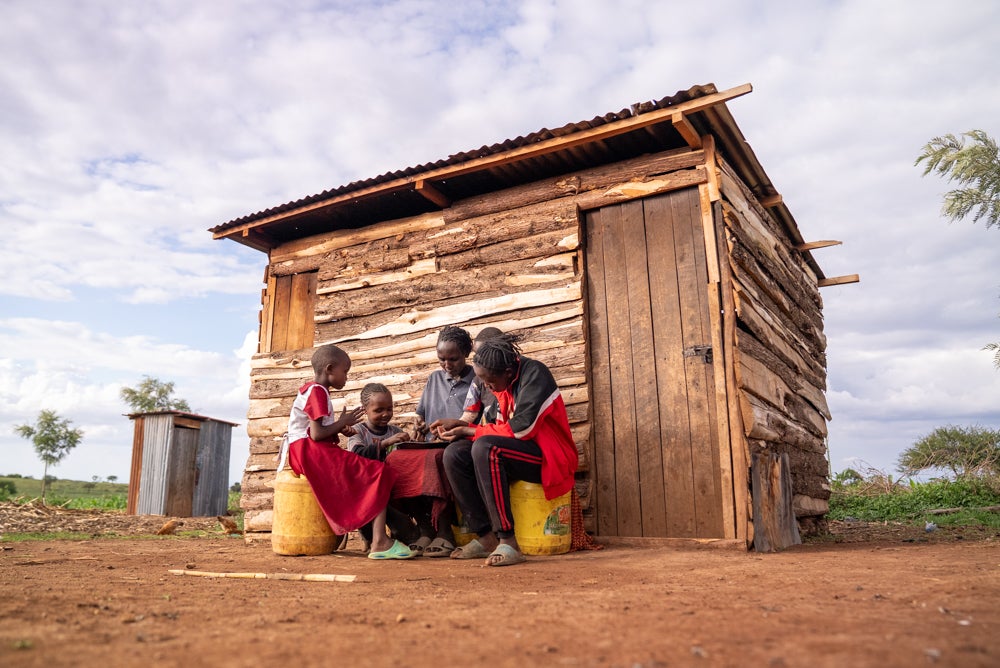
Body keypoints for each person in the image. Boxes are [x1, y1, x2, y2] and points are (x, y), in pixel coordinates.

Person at [436, 333, 578, 567]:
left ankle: (508, 540)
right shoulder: (501, 381)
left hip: (548, 458)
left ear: (508, 374)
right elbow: (491, 426)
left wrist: (470, 432)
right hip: (517, 454)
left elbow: (522, 429)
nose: (486, 386)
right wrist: (462, 426)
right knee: (454, 454)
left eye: (489, 382)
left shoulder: (535, 375)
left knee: (486, 447)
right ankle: (486, 537)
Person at [285, 344, 414, 560]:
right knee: (378, 472)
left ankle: (374, 537)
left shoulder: (313, 389)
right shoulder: (317, 391)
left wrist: (339, 428)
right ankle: (380, 541)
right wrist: (342, 422)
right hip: (309, 451)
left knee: (369, 471)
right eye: (345, 372)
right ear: (329, 369)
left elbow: (316, 430)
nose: (346, 377)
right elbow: (316, 435)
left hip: (304, 449)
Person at [408, 325, 476, 556]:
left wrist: (455, 429)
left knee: (438, 460)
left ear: (466, 354)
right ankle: (424, 527)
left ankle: (444, 531)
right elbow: (421, 413)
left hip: (458, 444)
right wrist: (418, 424)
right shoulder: (434, 378)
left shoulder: (477, 379)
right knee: (399, 459)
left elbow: (477, 420)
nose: (447, 365)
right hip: (431, 441)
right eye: (441, 359)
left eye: (453, 359)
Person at [348, 382, 420, 552]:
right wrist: (385, 443)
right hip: (364, 488)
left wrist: (415, 440)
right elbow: (356, 454)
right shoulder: (357, 431)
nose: (385, 414)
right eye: (378, 410)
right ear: (365, 410)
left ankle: (393, 534)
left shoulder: (394, 430)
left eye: (389, 409)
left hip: (392, 487)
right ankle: (374, 536)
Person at [459, 326, 504, 425]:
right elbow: (469, 415)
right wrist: (454, 427)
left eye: (483, 354)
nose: (477, 358)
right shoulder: (477, 381)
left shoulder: (510, 378)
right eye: (476, 354)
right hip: (485, 431)